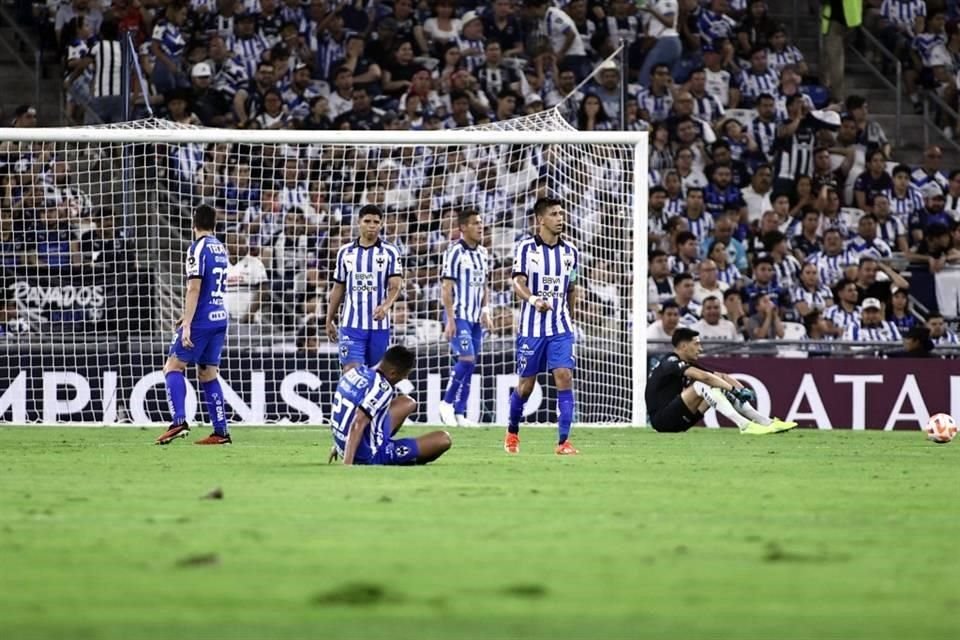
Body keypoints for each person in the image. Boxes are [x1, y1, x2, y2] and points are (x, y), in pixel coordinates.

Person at [506, 198, 580, 455]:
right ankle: (512, 432)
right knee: (525, 387)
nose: (560, 218)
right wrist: (533, 299)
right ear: (540, 220)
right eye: (554, 214)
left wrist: (571, 316)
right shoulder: (525, 249)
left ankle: (563, 442)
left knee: (564, 376)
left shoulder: (571, 252)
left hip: (560, 327)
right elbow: (517, 282)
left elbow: (571, 286)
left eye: (561, 213)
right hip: (531, 329)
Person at [156, 205, 232, 446]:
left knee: (172, 367)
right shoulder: (220, 248)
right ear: (214, 224)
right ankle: (220, 432)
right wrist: (185, 314)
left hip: (201, 319)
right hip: (219, 316)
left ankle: (179, 422)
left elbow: (194, 287)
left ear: (194, 224)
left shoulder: (196, 248)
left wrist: (188, 323)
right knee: (207, 373)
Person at [645, 328, 796, 433]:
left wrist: (741, 388)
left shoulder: (687, 364)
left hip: (680, 421)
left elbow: (720, 376)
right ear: (684, 346)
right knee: (702, 384)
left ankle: (766, 422)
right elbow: (705, 378)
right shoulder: (670, 362)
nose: (701, 349)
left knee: (715, 383)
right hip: (662, 421)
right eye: (696, 344)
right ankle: (744, 425)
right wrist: (734, 391)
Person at [330, 345, 452, 466]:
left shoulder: (356, 372)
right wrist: (347, 464)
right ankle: (393, 455)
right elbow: (358, 422)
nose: (405, 378)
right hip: (368, 455)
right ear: (393, 373)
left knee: (408, 402)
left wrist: (339, 445)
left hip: (346, 443)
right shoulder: (382, 388)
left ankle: (366, 443)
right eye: (404, 374)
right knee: (444, 439)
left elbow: (346, 414)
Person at [326, 205, 403, 370]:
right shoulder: (345, 252)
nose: (372, 225)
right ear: (358, 222)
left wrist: (386, 306)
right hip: (351, 325)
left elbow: (395, 286)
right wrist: (329, 318)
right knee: (351, 372)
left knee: (373, 373)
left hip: (379, 326)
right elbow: (338, 288)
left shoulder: (390, 252)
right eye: (367, 221)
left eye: (376, 222)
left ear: (381, 225)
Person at [438, 210, 492, 427]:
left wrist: (486, 309)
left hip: (476, 318)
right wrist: (450, 319)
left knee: (471, 364)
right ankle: (446, 403)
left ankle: (460, 413)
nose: (480, 227)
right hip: (458, 316)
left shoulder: (483, 253)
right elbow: (446, 288)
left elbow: (484, 285)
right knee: (466, 360)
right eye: (475, 223)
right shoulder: (454, 252)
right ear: (463, 228)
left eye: (481, 223)